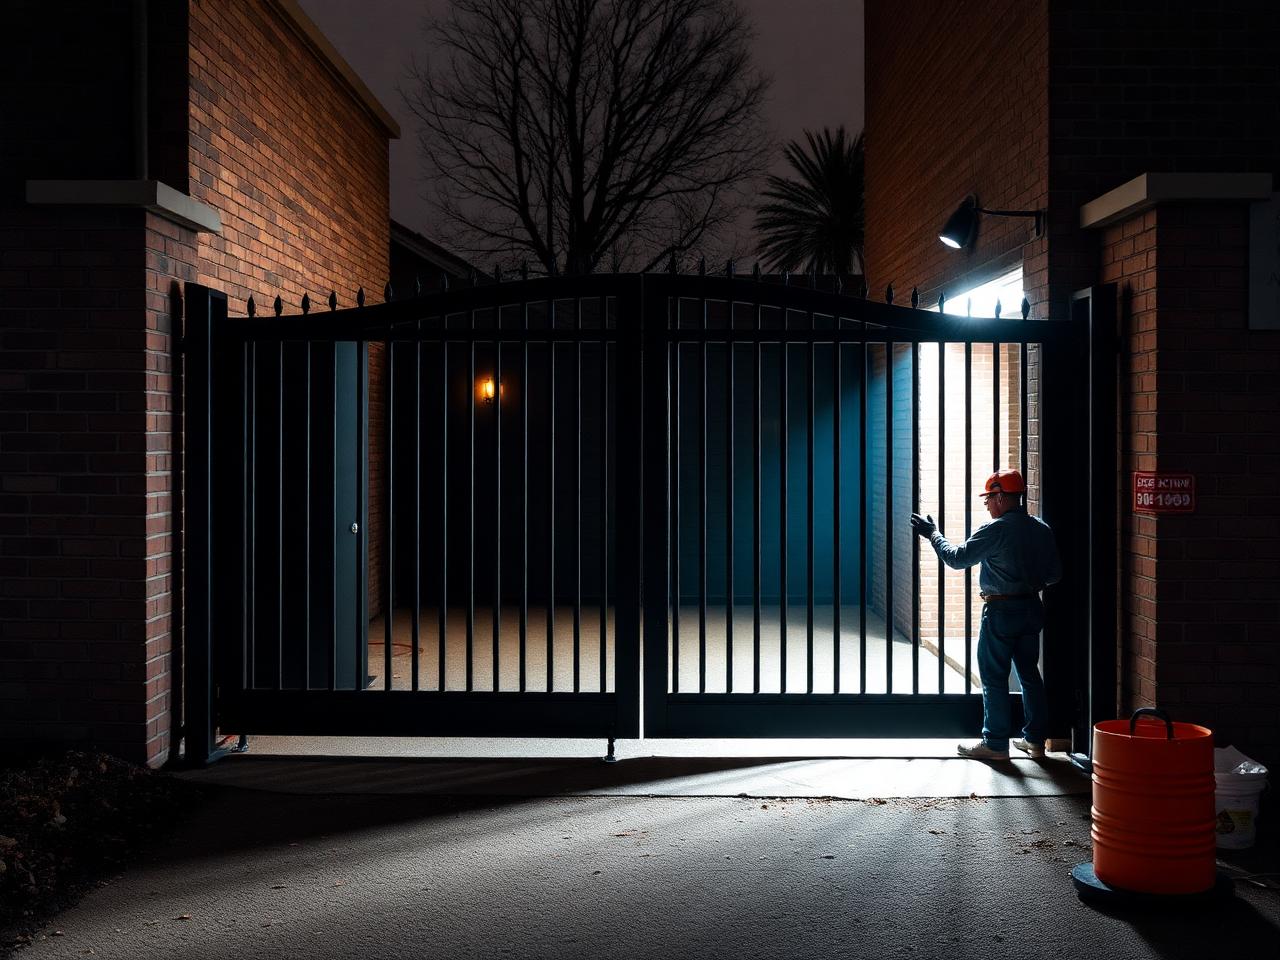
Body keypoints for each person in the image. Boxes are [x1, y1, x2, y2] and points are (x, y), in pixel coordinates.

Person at [909, 468, 1061, 761]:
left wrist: (933, 534)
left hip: (1001, 609)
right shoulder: (1041, 529)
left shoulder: (995, 529)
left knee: (993, 678)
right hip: (1031, 608)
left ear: (1001, 496)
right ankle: (1036, 742)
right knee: (1030, 676)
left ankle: (995, 743)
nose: (987, 505)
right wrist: (1030, 584)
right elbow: (1055, 574)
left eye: (989, 499)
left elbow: (957, 559)